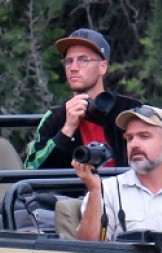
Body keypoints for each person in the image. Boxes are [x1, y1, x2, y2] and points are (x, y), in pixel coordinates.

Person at [74, 105, 162, 242]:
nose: (134, 144)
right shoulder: (106, 191)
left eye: (144, 136)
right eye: (129, 138)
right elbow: (87, 251)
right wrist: (94, 190)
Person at [24, 28, 143, 170]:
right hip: (69, 192)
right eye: (69, 61)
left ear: (102, 67)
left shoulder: (129, 110)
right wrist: (67, 129)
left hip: (122, 191)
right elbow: (32, 170)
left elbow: (152, 159)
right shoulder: (55, 118)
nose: (73, 68)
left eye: (83, 60)